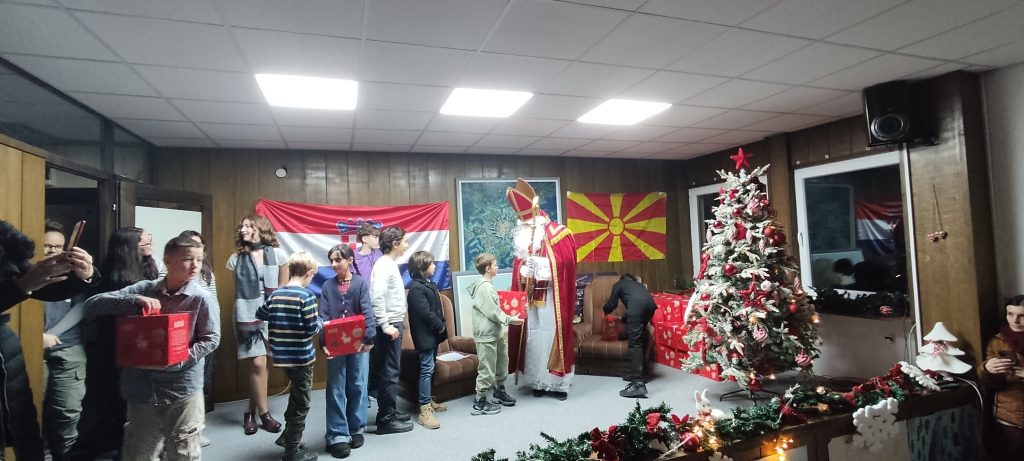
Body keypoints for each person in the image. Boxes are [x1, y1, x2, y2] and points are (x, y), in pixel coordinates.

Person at [83, 236, 219, 461]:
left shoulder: (201, 298)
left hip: (182, 386)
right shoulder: (145, 289)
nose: (195, 265)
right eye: (187, 259)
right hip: (141, 386)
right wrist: (133, 300)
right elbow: (91, 305)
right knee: (139, 450)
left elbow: (211, 339)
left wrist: (179, 358)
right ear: (167, 260)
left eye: (199, 259)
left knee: (183, 451)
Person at [0, 219, 97, 461]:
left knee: (23, 424)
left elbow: (49, 290)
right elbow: (25, 283)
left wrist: (85, 274)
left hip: (5, 347)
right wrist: (23, 285)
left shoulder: (6, 242)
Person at [80, 226, 159, 458]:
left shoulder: (150, 266)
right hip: (115, 343)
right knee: (116, 395)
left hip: (145, 342)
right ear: (129, 246)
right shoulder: (108, 273)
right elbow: (95, 308)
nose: (150, 244)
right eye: (145, 241)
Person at [506, 178, 578, 400]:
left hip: (552, 298)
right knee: (533, 339)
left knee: (552, 336)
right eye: (523, 225)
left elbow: (567, 264)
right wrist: (522, 273)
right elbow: (518, 269)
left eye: (529, 224)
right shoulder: (523, 239)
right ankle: (537, 380)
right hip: (530, 301)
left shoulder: (560, 234)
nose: (526, 228)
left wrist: (541, 266)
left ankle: (558, 385)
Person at [256, 251, 322, 461]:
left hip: (282, 358)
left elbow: (260, 313)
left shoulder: (276, 294)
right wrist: (321, 322)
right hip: (302, 358)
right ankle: (292, 450)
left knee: (295, 396)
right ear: (309, 273)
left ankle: (287, 436)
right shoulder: (307, 296)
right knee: (302, 403)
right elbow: (312, 328)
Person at [226, 215, 288, 435]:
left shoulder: (279, 255)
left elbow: (283, 287)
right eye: (242, 226)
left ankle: (249, 412)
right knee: (258, 362)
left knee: (261, 365)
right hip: (247, 313)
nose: (243, 229)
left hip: (271, 312)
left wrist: (275, 307)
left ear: (260, 229)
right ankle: (265, 415)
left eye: (248, 225)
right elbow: (240, 292)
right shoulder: (235, 259)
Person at [39, 220, 91, 460]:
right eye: (47, 246)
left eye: (58, 247)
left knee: (68, 410)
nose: (52, 251)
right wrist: (38, 337)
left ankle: (64, 454)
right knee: (32, 408)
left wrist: (52, 334)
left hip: (68, 346)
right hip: (31, 347)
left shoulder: (73, 273)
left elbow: (80, 307)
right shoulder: (25, 273)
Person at [319, 244, 375, 458]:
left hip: (359, 344)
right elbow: (323, 315)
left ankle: (356, 428)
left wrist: (369, 337)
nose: (333, 264)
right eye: (331, 260)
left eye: (338, 260)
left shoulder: (360, 283)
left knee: (358, 384)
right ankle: (337, 435)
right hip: (335, 345)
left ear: (350, 260)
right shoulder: (327, 286)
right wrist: (323, 342)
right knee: (336, 387)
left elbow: (367, 310)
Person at [369, 226, 413, 434]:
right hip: (389, 327)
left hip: (392, 324)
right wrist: (386, 325)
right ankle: (386, 420)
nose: (407, 245)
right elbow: (376, 297)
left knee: (388, 371)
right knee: (389, 372)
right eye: (405, 241)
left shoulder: (388, 264)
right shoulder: (384, 265)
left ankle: (390, 411)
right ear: (395, 244)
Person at [467, 253, 523, 416]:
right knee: (487, 368)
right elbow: (492, 311)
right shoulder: (484, 287)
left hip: (495, 333)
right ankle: (480, 402)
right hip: (486, 335)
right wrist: (510, 319)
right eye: (495, 265)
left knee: (501, 363)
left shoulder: (488, 285)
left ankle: (499, 391)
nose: (497, 267)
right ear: (488, 268)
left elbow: (497, 307)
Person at [179, 230, 218, 448]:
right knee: (185, 384)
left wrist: (215, 330)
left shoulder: (208, 273)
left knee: (202, 382)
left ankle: (196, 427)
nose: (197, 250)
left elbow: (214, 304)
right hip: (183, 335)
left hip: (205, 335)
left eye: (200, 246)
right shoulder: (171, 271)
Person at [406, 250, 448, 429]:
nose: (435, 266)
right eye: (431, 264)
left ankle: (429, 400)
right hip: (425, 336)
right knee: (426, 369)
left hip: (433, 335)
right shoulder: (416, 288)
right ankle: (424, 409)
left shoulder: (428, 283)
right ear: (422, 267)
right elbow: (425, 313)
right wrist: (440, 326)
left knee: (431, 367)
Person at [980, 295, 1024, 460]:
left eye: (1022, 315)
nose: (1015, 320)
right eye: (1010, 314)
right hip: (1009, 416)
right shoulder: (998, 341)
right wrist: (986, 368)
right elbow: (988, 384)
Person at [602, 273, 657, 398]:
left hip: (637, 309)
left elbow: (612, 304)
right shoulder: (638, 286)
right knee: (641, 338)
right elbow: (637, 308)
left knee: (635, 343)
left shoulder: (619, 284)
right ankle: (639, 374)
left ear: (622, 279)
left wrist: (604, 311)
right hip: (650, 307)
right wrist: (622, 319)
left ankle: (638, 383)